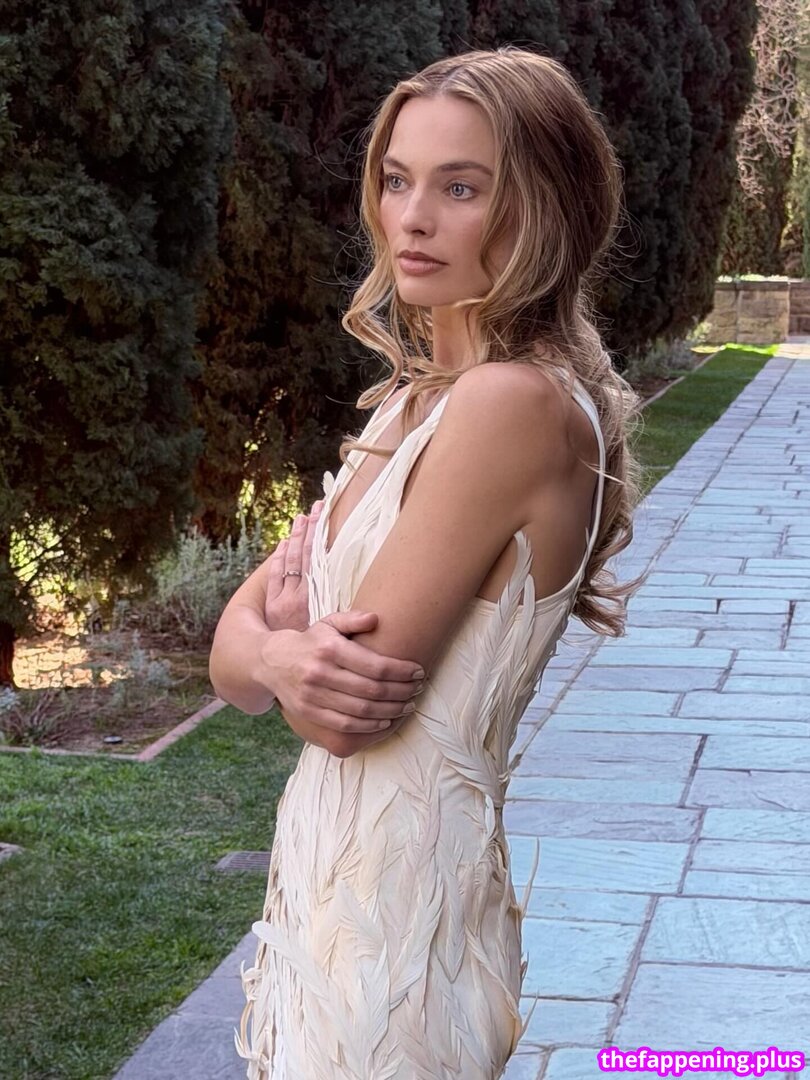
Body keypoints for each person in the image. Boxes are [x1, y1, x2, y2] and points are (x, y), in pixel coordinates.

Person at [211, 44, 644, 1080]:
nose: (411, 218)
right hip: (328, 889)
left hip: (398, 923)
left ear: (544, 209)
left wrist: (277, 651)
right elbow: (234, 666)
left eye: (462, 188)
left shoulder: (511, 405)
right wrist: (274, 656)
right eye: (398, 180)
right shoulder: (411, 406)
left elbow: (344, 708)